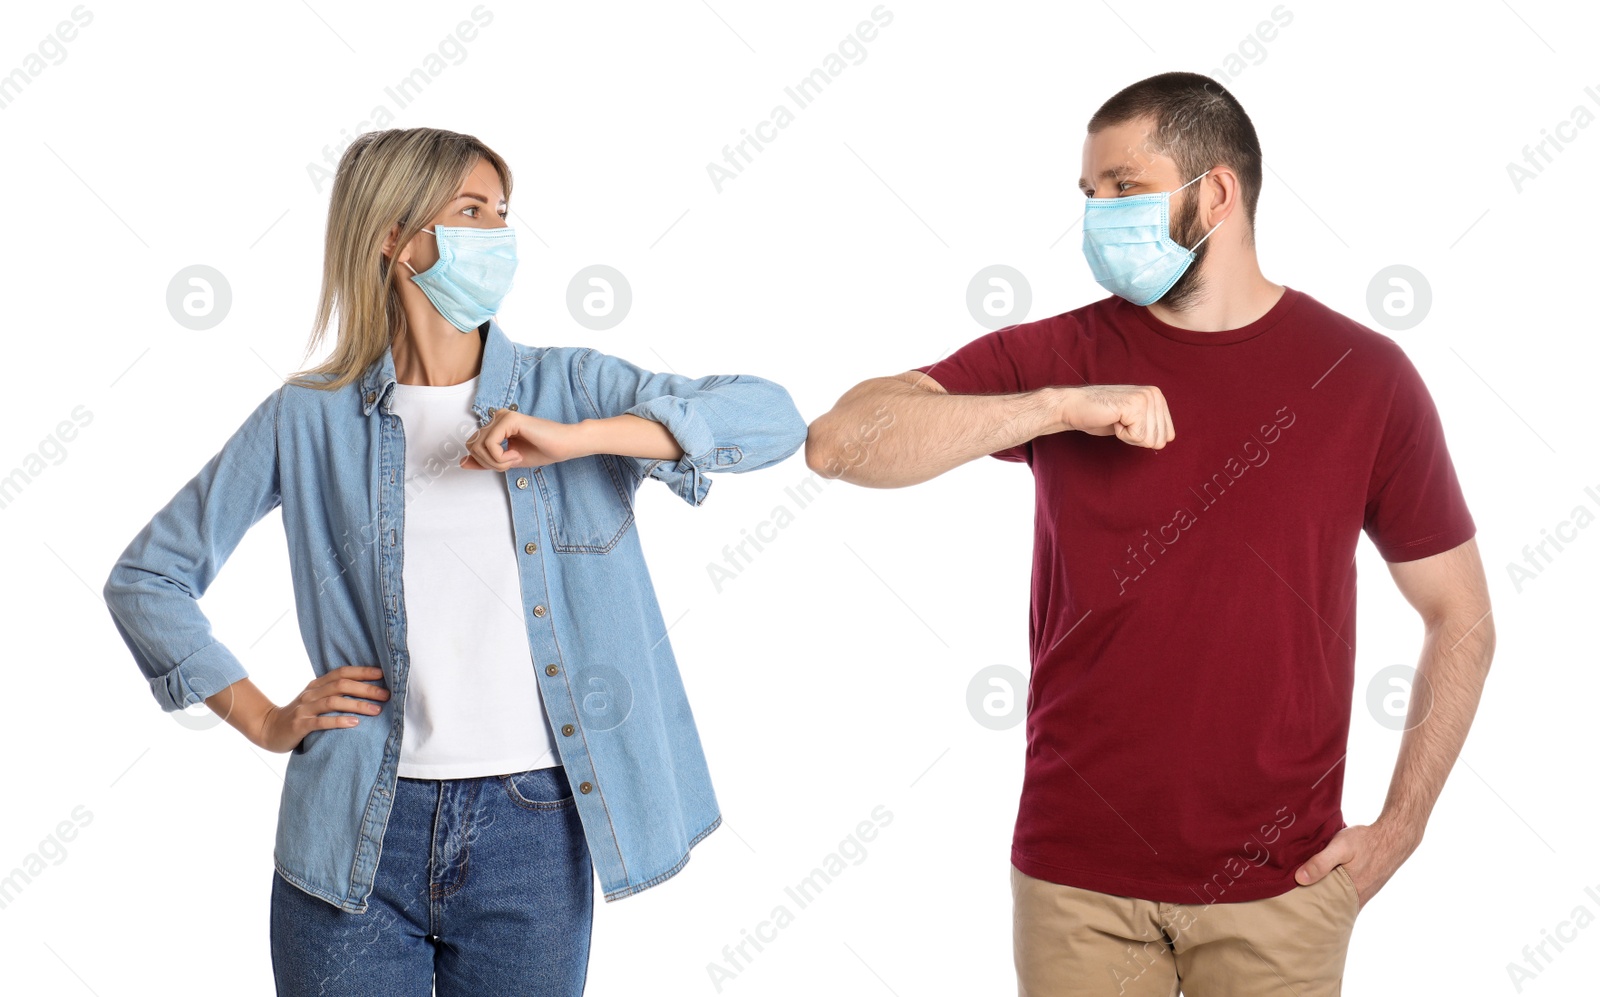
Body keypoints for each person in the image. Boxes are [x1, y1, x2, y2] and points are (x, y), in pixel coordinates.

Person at [805, 71, 1494, 996]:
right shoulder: (1061, 358)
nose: (1099, 217)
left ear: (1216, 191)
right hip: (1074, 882)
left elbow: (1461, 616)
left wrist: (1400, 828)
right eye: (1089, 197)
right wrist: (1053, 407)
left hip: (1281, 890)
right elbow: (840, 442)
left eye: (1125, 189)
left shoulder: (1364, 375)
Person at [103, 126, 808, 996]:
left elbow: (774, 420)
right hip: (355, 834)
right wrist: (263, 716)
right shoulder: (306, 419)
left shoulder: (571, 388)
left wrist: (579, 441)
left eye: (502, 213)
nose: (496, 236)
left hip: (535, 829)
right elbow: (148, 576)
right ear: (393, 239)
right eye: (469, 211)